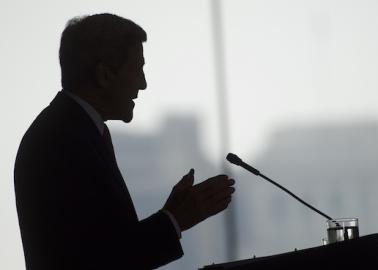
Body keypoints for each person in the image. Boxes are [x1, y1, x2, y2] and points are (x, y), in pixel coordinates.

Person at [14, 13, 235, 270]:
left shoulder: (69, 131)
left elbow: (105, 245)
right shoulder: (62, 142)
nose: (143, 84)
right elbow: (103, 260)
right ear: (105, 75)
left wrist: (170, 215)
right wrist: (175, 219)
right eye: (137, 69)